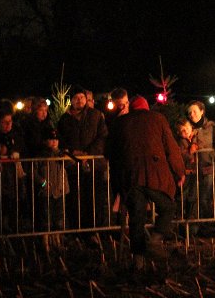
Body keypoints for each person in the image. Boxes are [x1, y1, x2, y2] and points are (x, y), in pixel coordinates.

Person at [106, 95, 185, 269]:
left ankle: (138, 260)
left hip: (131, 178)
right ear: (146, 107)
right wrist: (179, 171)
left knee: (136, 218)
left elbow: (109, 152)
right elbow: (171, 147)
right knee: (168, 207)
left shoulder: (120, 123)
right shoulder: (157, 118)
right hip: (154, 176)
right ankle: (155, 240)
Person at [57, 85, 109, 229]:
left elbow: (102, 137)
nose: (79, 100)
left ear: (86, 99)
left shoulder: (96, 115)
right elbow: (60, 140)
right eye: (76, 98)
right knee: (74, 199)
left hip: (94, 165)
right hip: (73, 166)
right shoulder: (65, 119)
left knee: (94, 199)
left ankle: (94, 229)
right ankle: (76, 229)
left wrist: (88, 153)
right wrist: (72, 153)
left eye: (81, 97)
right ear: (71, 101)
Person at [186, 101, 215, 233]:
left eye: (194, 111)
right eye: (190, 112)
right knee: (192, 197)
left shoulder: (211, 128)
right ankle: (193, 227)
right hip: (193, 169)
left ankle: (205, 225)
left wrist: (213, 156)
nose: (192, 114)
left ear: (202, 112)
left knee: (205, 197)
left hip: (208, 167)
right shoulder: (187, 128)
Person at [35, 128, 70, 242]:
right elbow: (33, 171)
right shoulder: (41, 155)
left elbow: (70, 164)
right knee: (46, 217)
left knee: (59, 216)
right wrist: (43, 182)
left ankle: (57, 239)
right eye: (51, 139)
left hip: (60, 190)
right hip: (47, 191)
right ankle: (46, 241)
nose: (54, 142)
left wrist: (67, 156)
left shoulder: (62, 154)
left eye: (56, 139)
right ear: (45, 141)